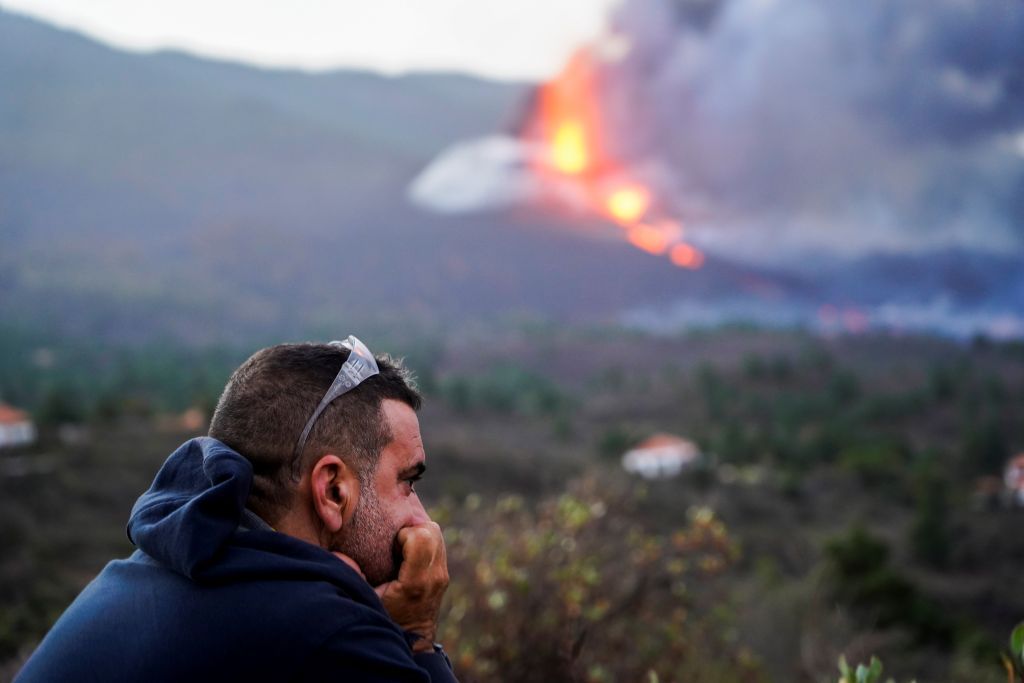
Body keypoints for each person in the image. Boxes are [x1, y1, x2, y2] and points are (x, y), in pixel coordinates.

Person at [16, 337, 458, 682]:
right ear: (333, 491)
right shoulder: (326, 633)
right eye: (407, 482)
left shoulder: (155, 566)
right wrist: (414, 633)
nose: (421, 519)